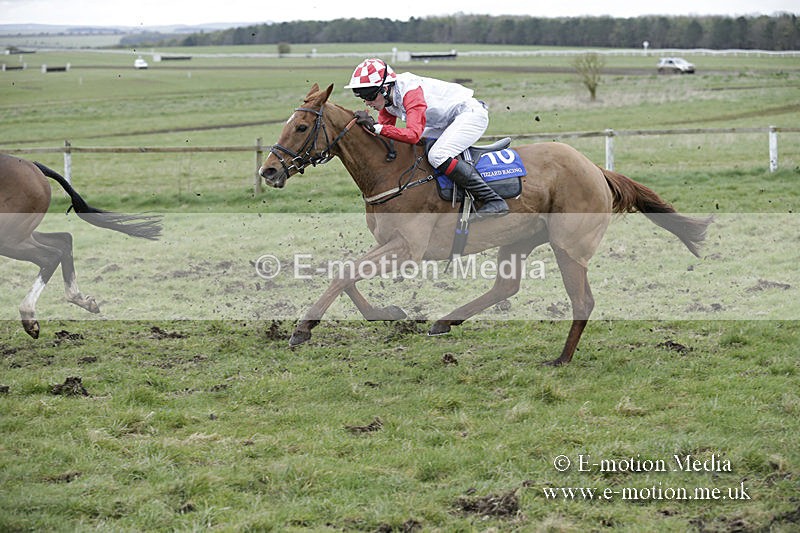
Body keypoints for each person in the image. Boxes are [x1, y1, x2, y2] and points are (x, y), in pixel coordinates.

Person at [344, 58, 509, 217]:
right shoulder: (387, 100)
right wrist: (366, 128)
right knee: (417, 149)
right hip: (444, 121)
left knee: (437, 155)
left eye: (370, 96)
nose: (367, 102)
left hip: (469, 114)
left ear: (385, 88)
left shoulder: (410, 92)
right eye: (362, 97)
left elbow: (413, 134)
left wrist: (378, 128)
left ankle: (493, 200)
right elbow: (386, 137)